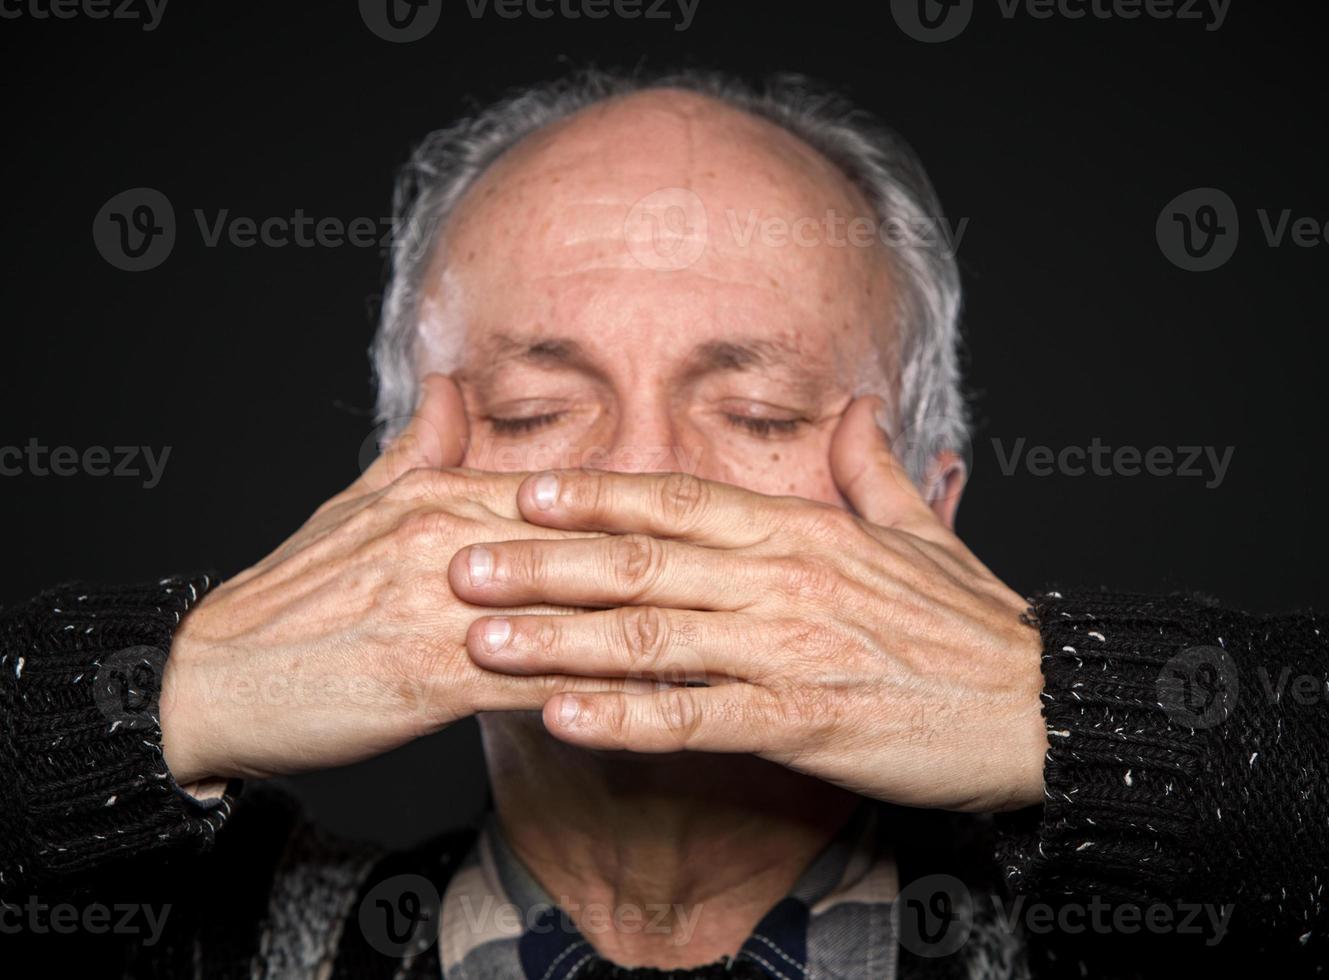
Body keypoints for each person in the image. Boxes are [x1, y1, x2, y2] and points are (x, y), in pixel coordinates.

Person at [2, 68, 1325, 979]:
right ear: (379, 514)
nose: (643, 482)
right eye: (530, 410)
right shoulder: (203, 937)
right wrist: (163, 699)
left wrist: (1080, 717)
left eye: (755, 411)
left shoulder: (1167, 929)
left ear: (931, 510)